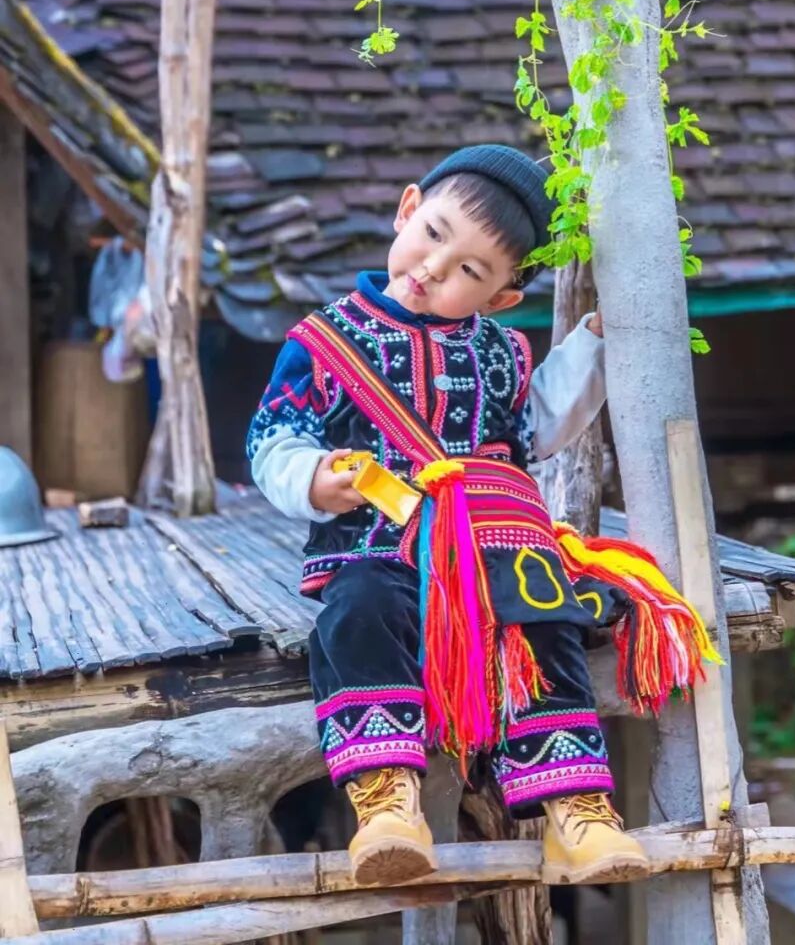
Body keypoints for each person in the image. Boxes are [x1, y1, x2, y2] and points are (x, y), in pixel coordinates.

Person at [248, 144, 710, 888]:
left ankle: (577, 813)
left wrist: (594, 343)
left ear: (500, 297)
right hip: (377, 549)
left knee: (544, 626)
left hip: (495, 554)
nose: (434, 268)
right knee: (356, 615)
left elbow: (536, 426)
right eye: (433, 234)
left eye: (470, 269)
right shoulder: (323, 343)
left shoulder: (502, 354)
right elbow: (273, 436)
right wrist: (311, 477)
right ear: (407, 210)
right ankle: (388, 804)